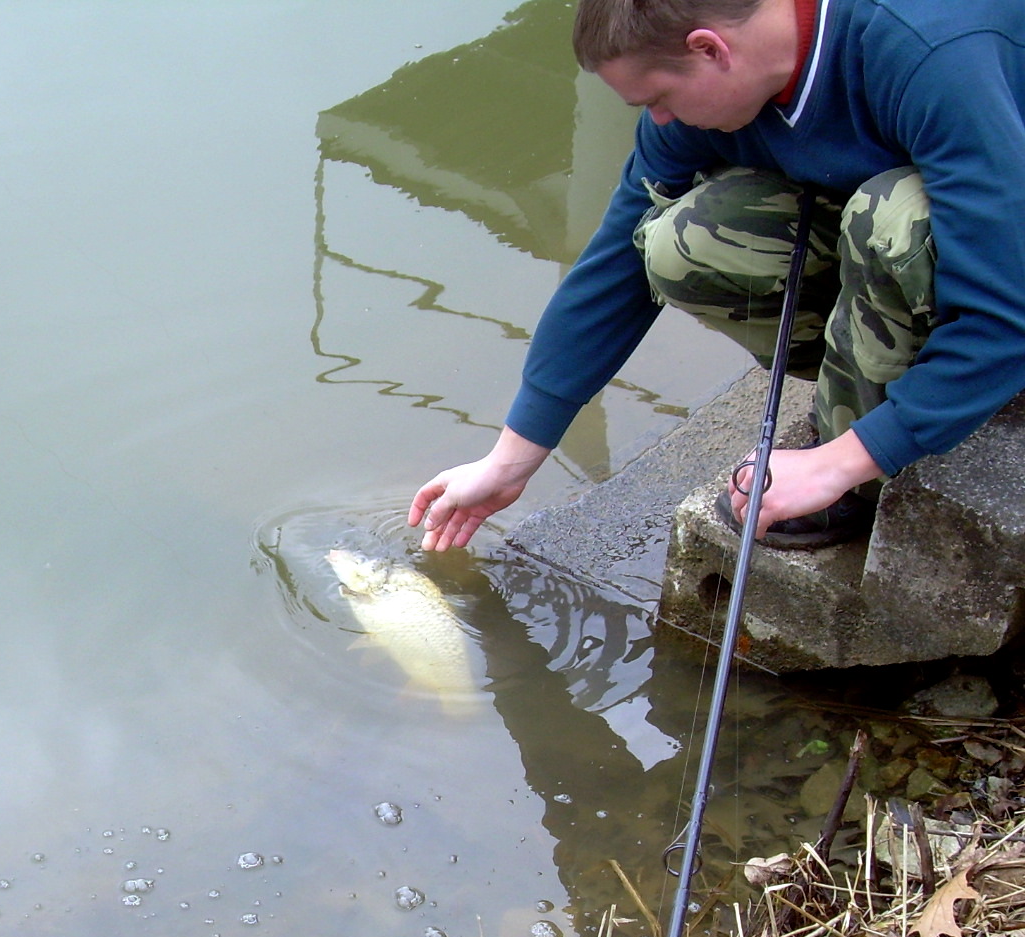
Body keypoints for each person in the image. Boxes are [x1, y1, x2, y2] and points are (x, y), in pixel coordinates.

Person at [409, 0, 1025, 551]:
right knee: (676, 240)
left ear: (709, 48)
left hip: (1007, 248)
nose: (659, 120)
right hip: (951, 231)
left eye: (656, 99)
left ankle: (860, 462)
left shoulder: (933, 54)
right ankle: (877, 384)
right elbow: (614, 266)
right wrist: (511, 460)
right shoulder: (706, 104)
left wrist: (839, 464)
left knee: (891, 218)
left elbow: (1007, 318)